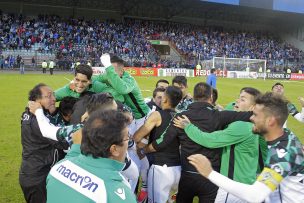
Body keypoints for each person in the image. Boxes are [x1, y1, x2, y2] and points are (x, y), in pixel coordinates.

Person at [143, 82, 252, 203]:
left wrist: (144, 149)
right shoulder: (219, 116)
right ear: (211, 97)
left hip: (188, 175)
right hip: (210, 177)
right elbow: (249, 115)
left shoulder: (181, 116)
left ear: (194, 97)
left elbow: (163, 141)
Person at [188, 92, 304, 203]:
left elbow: (255, 195)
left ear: (270, 121)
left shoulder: (281, 154)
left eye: (256, 115)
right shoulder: (287, 136)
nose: (251, 118)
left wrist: (209, 173)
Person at [173, 87, 267, 203]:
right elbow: (227, 109)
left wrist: (188, 126)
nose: (237, 101)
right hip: (246, 182)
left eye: (242, 99)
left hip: (233, 187)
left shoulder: (242, 126)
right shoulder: (250, 123)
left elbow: (210, 140)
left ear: (253, 108)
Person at [46, 110, 137, 203]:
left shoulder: (58, 167)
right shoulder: (116, 193)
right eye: (127, 137)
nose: (129, 140)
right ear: (114, 149)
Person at [19, 83, 68, 203]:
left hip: (42, 171)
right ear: (36, 100)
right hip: (37, 177)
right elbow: (61, 142)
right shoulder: (35, 120)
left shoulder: (38, 116)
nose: (54, 99)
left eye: (53, 95)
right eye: (49, 96)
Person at [134, 86, 183, 203]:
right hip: (177, 169)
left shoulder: (157, 115)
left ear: (165, 99)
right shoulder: (180, 117)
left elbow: (137, 137)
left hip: (161, 169)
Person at [55, 64, 124, 102]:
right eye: (77, 80)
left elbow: (119, 98)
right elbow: (51, 97)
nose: (80, 84)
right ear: (74, 78)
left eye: (84, 81)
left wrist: (96, 101)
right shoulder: (68, 89)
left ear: (90, 81)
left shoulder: (96, 86)